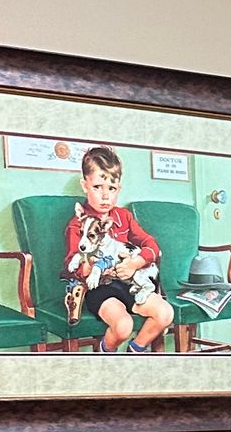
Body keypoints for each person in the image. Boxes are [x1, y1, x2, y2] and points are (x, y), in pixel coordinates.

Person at [63, 147, 173, 353]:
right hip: (99, 288)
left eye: (111, 188)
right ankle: (106, 355)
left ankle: (135, 351)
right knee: (123, 326)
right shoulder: (77, 225)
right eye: (97, 186)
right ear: (84, 185)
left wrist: (135, 263)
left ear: (119, 189)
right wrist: (94, 267)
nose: (105, 195)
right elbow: (72, 265)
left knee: (165, 313)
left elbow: (152, 245)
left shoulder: (124, 217)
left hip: (130, 283)